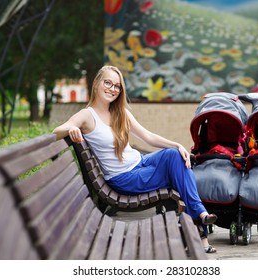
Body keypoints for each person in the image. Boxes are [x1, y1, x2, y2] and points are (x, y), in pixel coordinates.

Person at [53, 65, 217, 253]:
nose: (112, 89)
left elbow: (147, 137)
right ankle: (201, 224)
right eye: (108, 83)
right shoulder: (86, 116)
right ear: (97, 83)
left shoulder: (119, 112)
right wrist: (71, 128)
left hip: (140, 163)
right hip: (124, 178)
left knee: (175, 155)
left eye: (117, 86)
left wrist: (177, 144)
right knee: (179, 172)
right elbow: (56, 132)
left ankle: (201, 224)